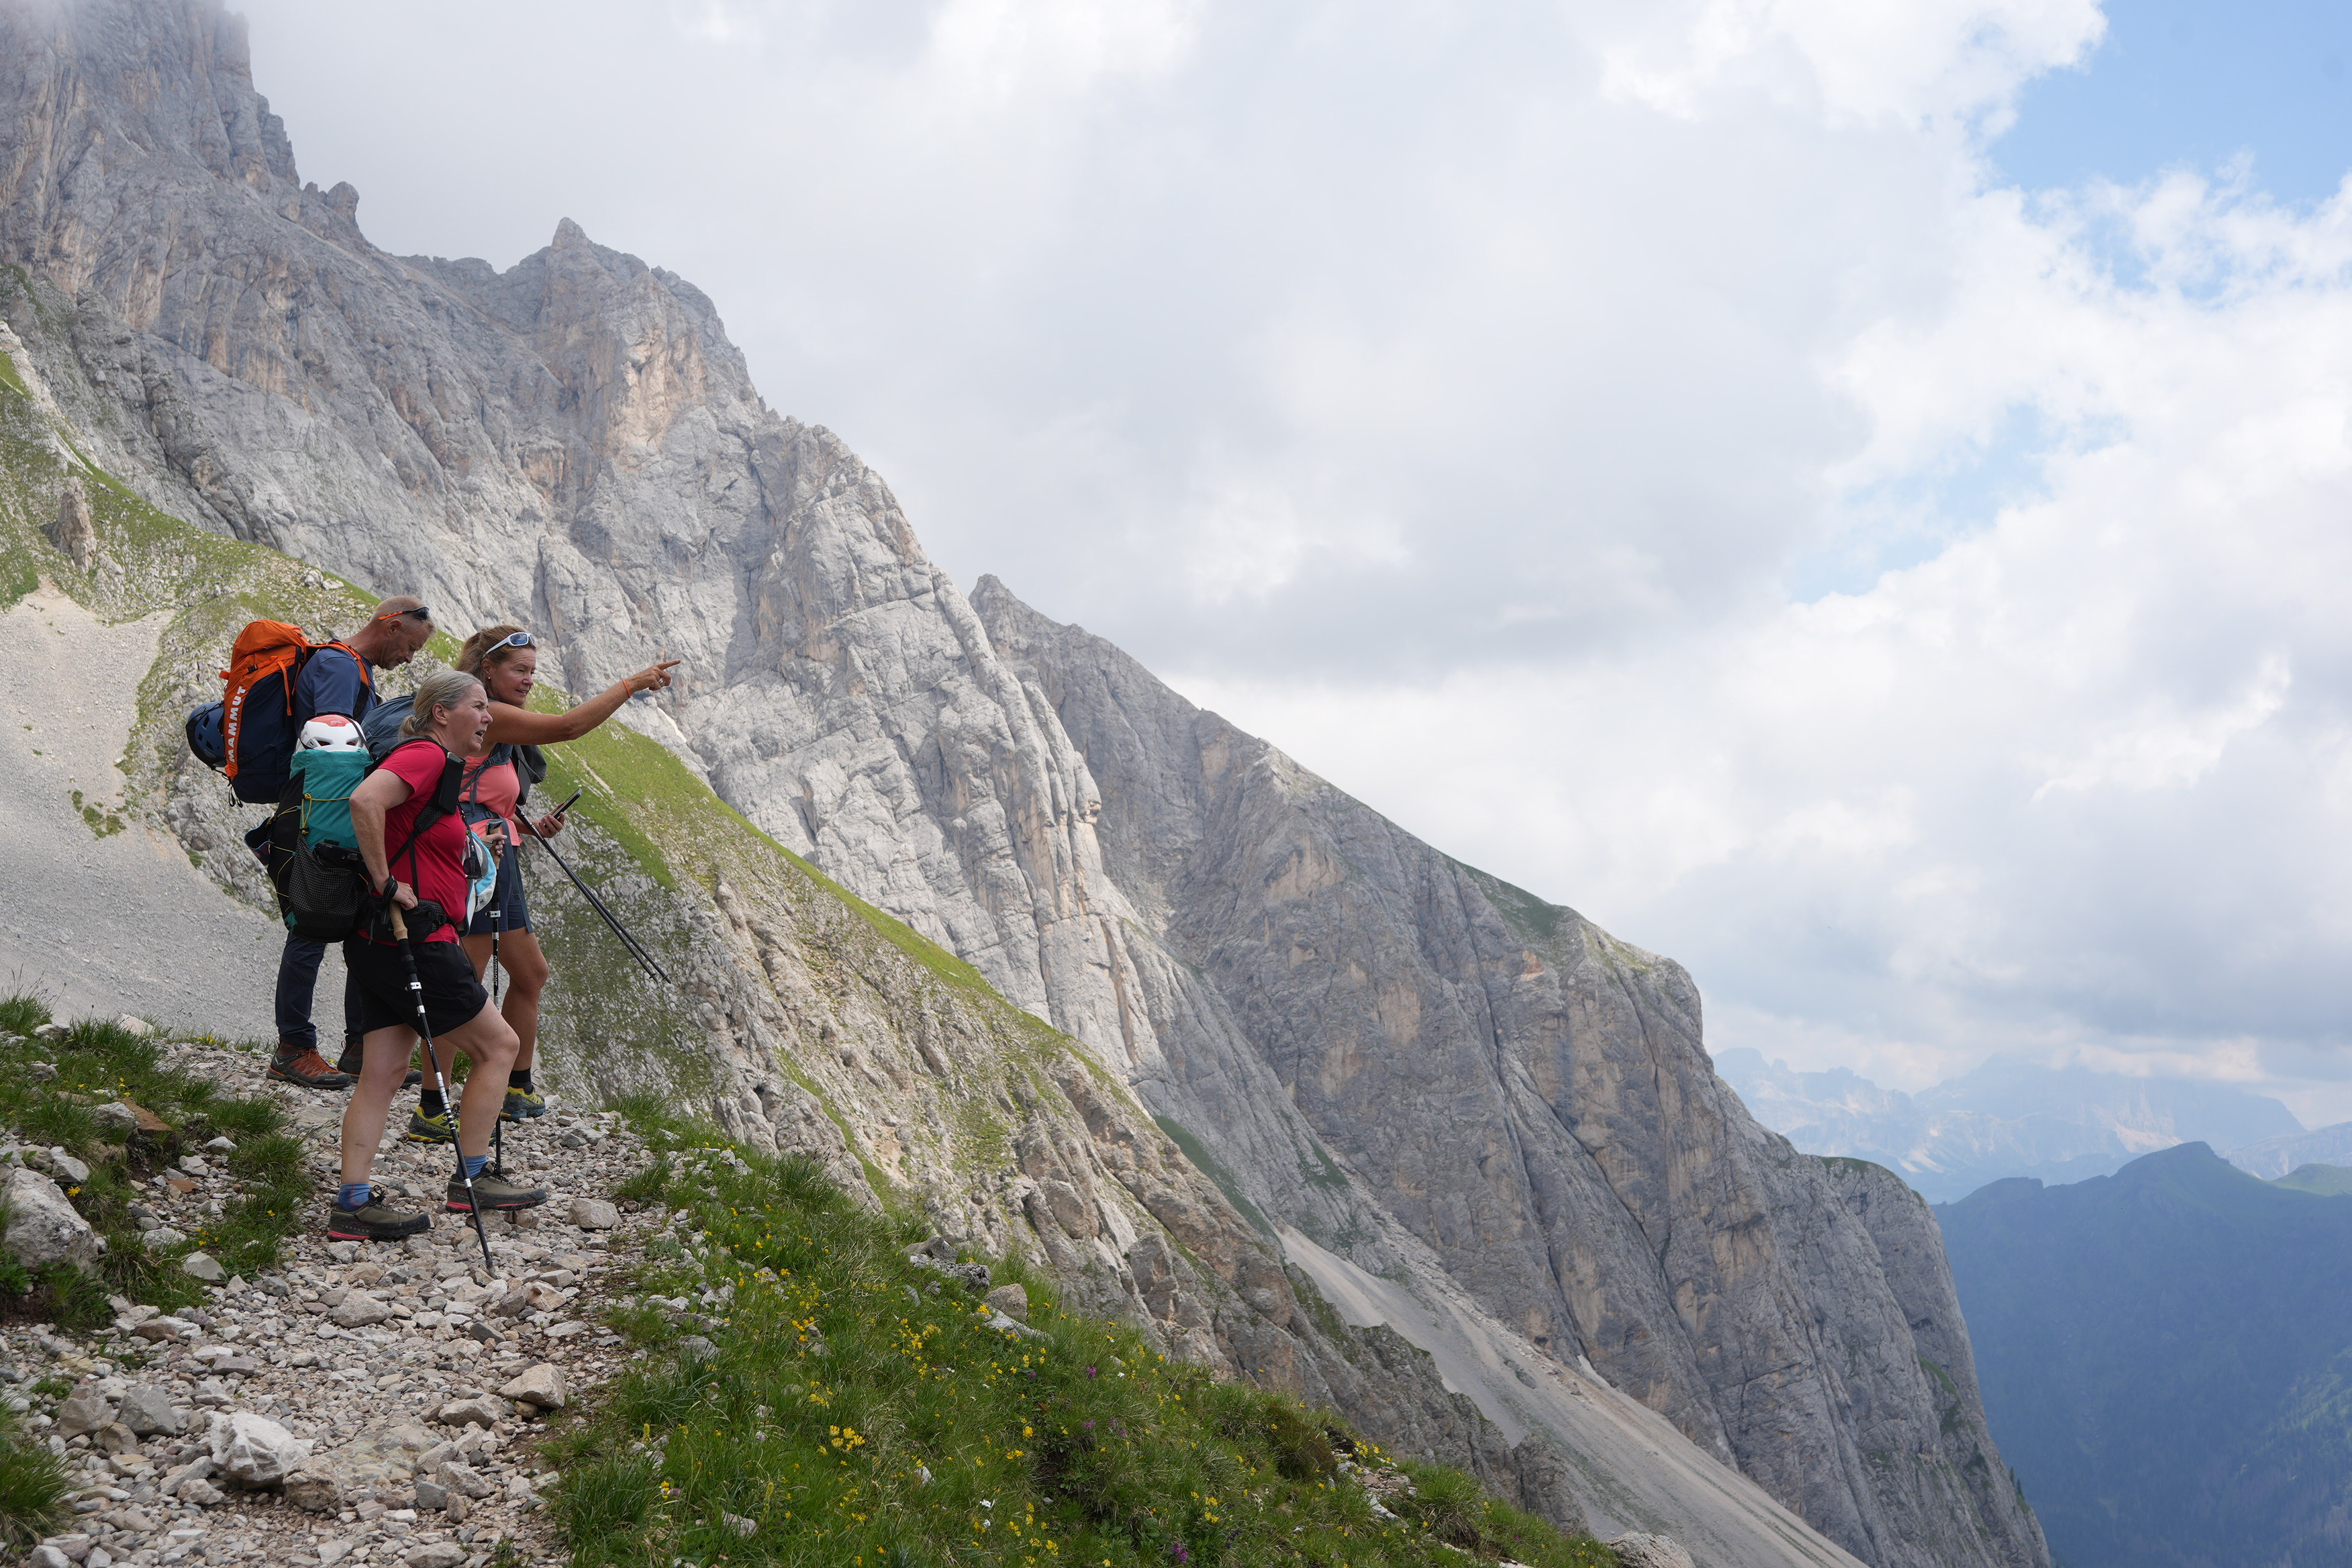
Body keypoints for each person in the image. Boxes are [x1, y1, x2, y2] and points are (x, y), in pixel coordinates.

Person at [402, 626, 679, 1140]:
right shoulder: (492, 712)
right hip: (471, 862)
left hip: (495, 853)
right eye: (519, 670)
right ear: (489, 670)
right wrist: (632, 685)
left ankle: (516, 1086)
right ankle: (433, 1106)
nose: (529, 680)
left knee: (530, 973)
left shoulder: (496, 715)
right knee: (465, 981)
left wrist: (526, 826)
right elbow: (570, 727)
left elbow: (479, 793)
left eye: (533, 671)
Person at [330, 667, 546, 1241]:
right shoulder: (425, 755)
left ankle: (351, 1204)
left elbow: (415, 836)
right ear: (442, 712)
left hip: (379, 940)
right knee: (500, 1045)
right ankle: (472, 1180)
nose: (488, 716)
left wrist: (476, 846)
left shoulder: (436, 768)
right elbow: (365, 799)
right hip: (415, 938)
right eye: (478, 706)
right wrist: (384, 881)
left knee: (383, 1071)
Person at [266, 596, 436, 1091]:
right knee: (313, 929)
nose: (410, 657)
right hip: (326, 821)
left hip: (331, 816)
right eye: (410, 644)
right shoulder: (342, 668)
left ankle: (360, 1046)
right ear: (391, 624)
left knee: (360, 929)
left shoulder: (349, 666)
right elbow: (335, 751)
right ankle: (294, 1048)